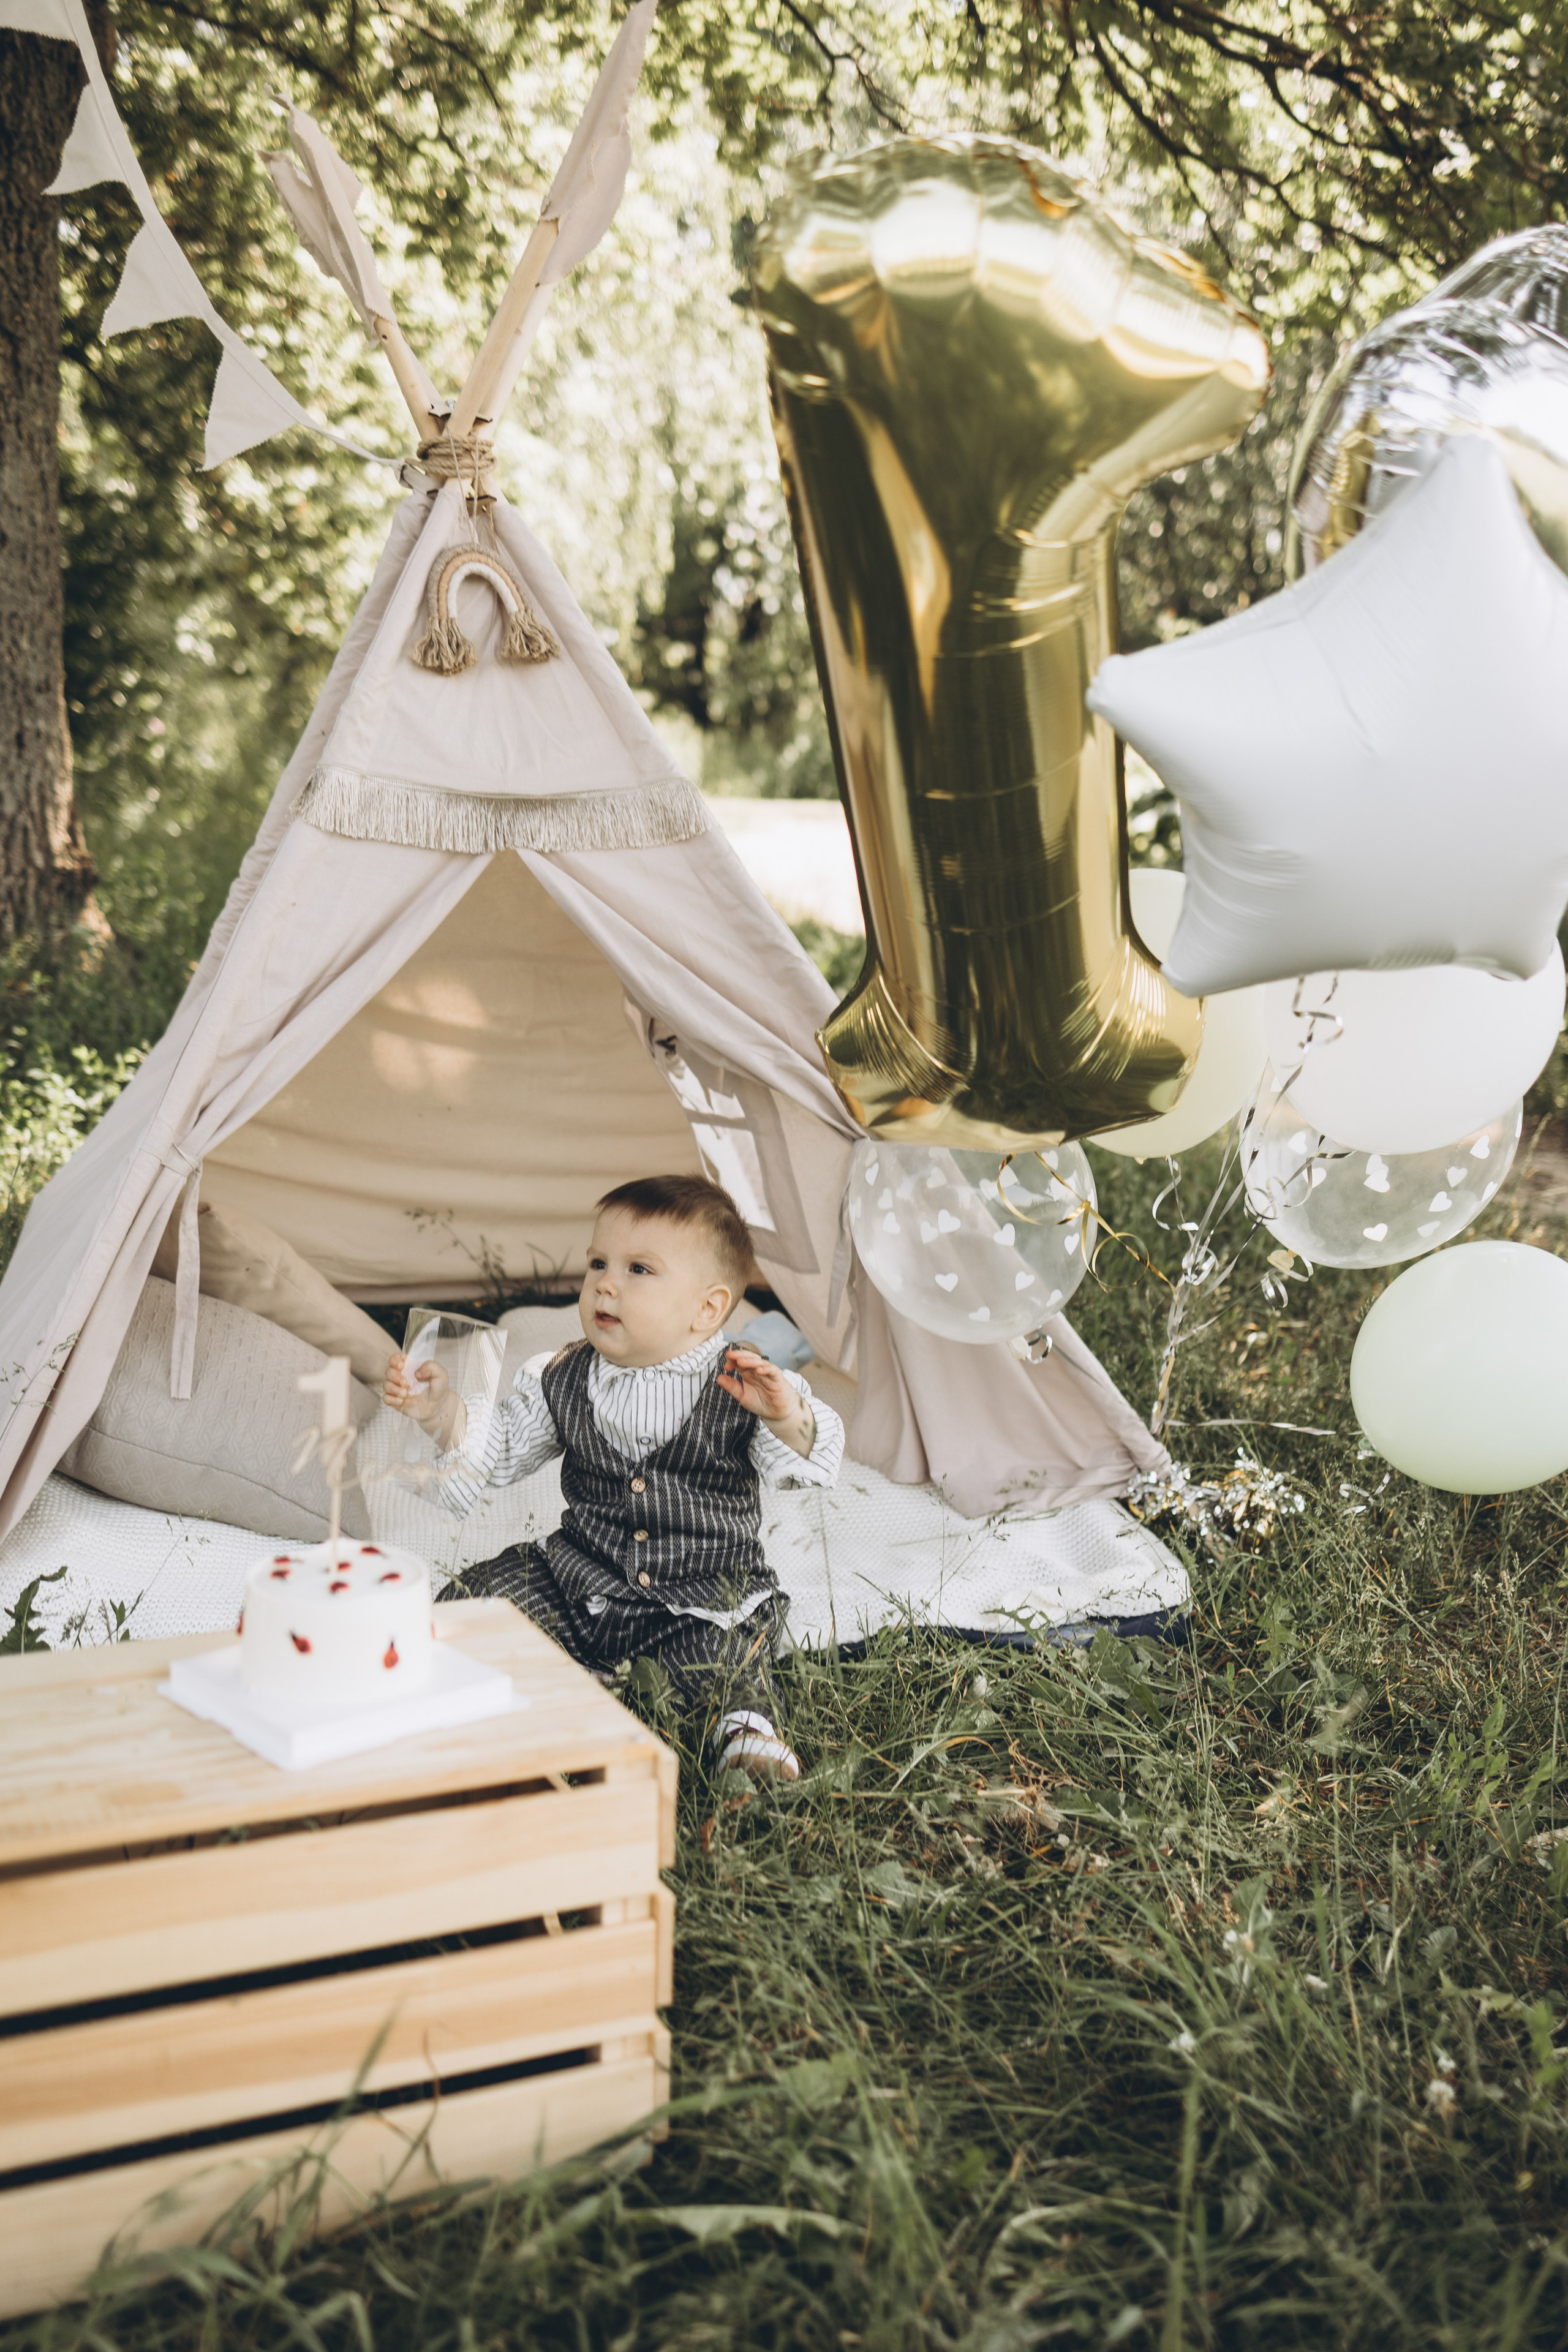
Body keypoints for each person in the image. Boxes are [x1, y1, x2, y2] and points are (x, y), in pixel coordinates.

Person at [383, 1173, 843, 1782]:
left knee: (724, 1666)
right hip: (581, 1580)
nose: (605, 1282)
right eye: (598, 1262)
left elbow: (813, 1457)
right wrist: (442, 1414)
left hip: (699, 1600)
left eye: (639, 1270)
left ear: (708, 1308)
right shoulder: (563, 1375)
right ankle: (549, 1688)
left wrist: (786, 1415)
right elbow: (500, 1449)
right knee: (479, 1598)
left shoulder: (745, 1382)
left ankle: (746, 1745)